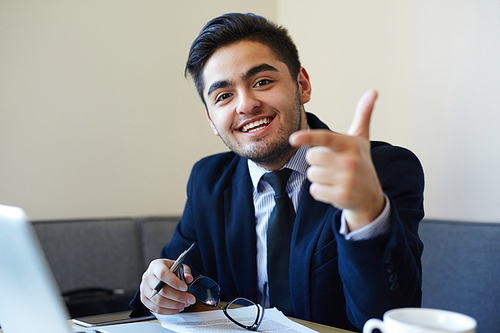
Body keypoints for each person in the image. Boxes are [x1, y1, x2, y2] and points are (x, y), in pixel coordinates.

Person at [130, 12, 424, 332]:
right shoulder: (208, 181)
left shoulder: (380, 170)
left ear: (302, 85)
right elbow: (176, 276)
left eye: (262, 82)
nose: (246, 105)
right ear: (211, 120)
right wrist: (158, 291)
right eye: (224, 96)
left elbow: (384, 318)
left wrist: (365, 212)